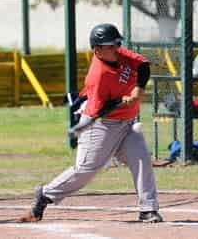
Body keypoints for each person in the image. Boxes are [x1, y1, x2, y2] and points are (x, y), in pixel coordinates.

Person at [19, 23, 163, 223]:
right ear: (98, 50)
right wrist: (122, 99)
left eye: (117, 43)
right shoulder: (98, 75)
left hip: (128, 124)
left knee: (142, 161)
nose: (117, 48)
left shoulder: (121, 55)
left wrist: (137, 90)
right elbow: (101, 109)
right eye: (111, 46)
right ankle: (45, 194)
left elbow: (143, 65)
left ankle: (148, 208)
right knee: (86, 170)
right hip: (101, 124)